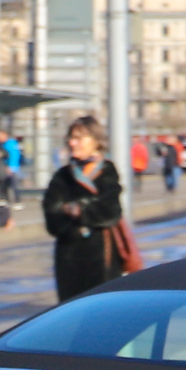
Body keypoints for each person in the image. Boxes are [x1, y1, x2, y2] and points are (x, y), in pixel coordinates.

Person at [44, 115, 125, 302]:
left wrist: (78, 210)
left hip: (103, 259)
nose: (72, 143)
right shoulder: (62, 176)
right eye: (70, 138)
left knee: (103, 312)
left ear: (95, 141)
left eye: (79, 138)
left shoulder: (107, 171)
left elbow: (111, 211)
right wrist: (81, 217)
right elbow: (52, 218)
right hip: (69, 260)